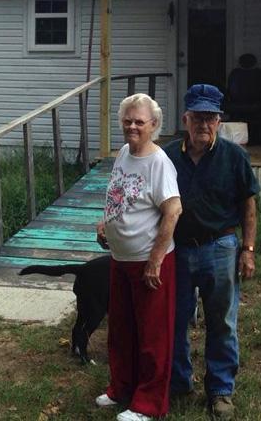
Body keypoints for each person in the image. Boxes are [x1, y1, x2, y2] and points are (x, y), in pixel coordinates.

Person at [164, 84, 260, 420]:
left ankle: (220, 390)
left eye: (210, 118)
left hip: (220, 248)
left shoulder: (234, 157)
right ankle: (178, 382)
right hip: (177, 250)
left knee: (222, 322)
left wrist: (248, 249)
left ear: (219, 121)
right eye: (197, 117)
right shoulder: (167, 156)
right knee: (175, 319)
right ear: (185, 119)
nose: (203, 124)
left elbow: (248, 206)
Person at [96, 93, 182, 421]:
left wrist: (155, 260)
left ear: (154, 125)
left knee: (152, 335)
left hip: (148, 262)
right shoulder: (123, 153)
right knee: (121, 329)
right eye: (127, 121)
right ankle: (121, 388)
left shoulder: (159, 162)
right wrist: (105, 223)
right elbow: (119, 197)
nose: (132, 126)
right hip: (120, 258)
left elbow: (173, 210)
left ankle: (149, 404)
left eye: (139, 122)